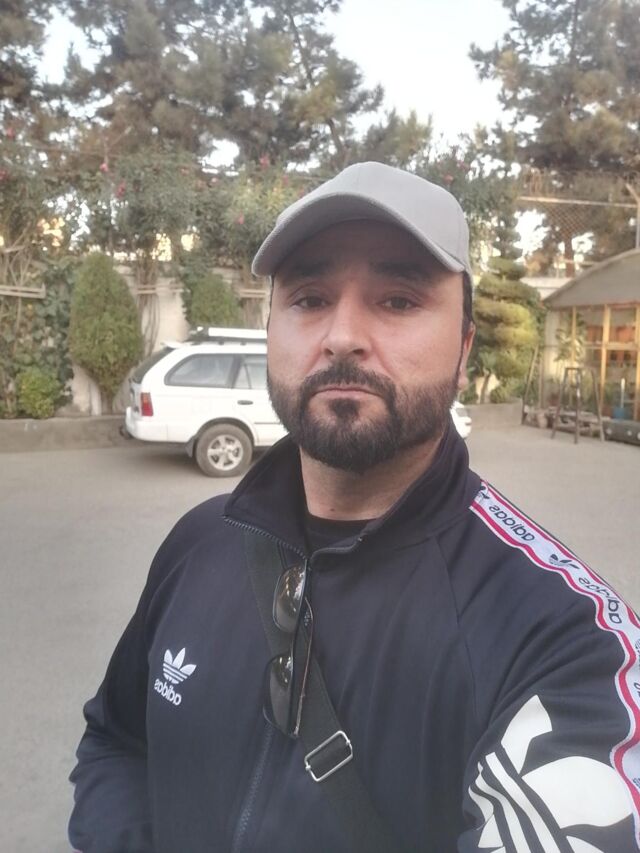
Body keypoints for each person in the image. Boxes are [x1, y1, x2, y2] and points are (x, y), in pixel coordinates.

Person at [69, 162, 640, 853]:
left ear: (464, 351)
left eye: (397, 299)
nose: (342, 335)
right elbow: (117, 740)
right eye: (309, 298)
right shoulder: (199, 543)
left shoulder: (563, 638)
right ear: (271, 331)